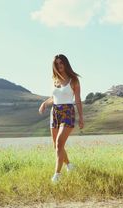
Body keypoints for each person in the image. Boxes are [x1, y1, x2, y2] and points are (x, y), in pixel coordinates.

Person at [38, 54, 84, 183]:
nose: (59, 66)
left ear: (66, 63)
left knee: (59, 144)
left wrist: (81, 117)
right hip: (55, 113)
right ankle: (69, 165)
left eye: (61, 63)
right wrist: (44, 103)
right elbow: (54, 98)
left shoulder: (73, 80)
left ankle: (57, 175)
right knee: (57, 145)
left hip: (67, 112)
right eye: (57, 64)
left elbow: (78, 100)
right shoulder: (55, 80)